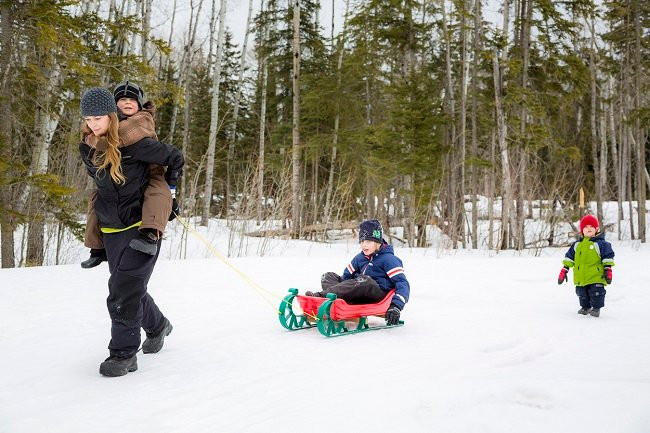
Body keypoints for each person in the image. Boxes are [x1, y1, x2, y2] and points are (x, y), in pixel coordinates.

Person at [79, 87, 183, 376]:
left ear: (112, 116)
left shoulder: (139, 144)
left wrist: (172, 194)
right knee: (128, 286)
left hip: (142, 228)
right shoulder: (87, 147)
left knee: (122, 291)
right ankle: (158, 325)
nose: (93, 124)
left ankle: (123, 354)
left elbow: (175, 158)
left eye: (99, 117)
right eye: (88, 119)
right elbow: (102, 190)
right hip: (112, 229)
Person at [81, 80, 179, 268]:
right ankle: (97, 247)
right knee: (98, 200)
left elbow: (170, 156)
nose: (127, 103)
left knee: (157, 193)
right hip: (121, 177)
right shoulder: (105, 126)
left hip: (150, 169)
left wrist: (172, 189)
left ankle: (151, 233)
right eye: (122, 99)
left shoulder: (141, 122)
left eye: (132, 100)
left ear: (140, 104)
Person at [305, 219, 410, 325]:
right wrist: (344, 286)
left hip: (377, 294)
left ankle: (321, 296)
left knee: (364, 280)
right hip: (359, 291)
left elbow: (402, 283)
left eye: (368, 241)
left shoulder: (389, 259)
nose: (364, 245)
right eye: (362, 241)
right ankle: (338, 302)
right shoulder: (360, 258)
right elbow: (345, 277)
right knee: (328, 276)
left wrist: (396, 306)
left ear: (378, 242)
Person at [557, 214, 615, 317]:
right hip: (581, 276)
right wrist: (564, 270)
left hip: (596, 276)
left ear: (596, 229)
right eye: (586, 227)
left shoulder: (601, 244)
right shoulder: (577, 245)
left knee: (596, 292)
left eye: (591, 226)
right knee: (581, 293)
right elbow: (569, 258)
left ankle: (596, 308)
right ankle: (585, 307)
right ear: (582, 230)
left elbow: (608, 256)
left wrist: (608, 270)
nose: (589, 228)